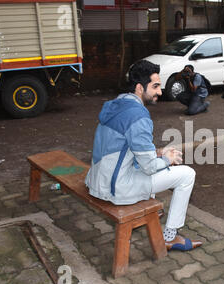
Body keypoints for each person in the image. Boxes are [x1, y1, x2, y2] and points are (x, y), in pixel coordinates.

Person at [85, 60, 202, 251]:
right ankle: (169, 237)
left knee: (154, 162)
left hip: (97, 180)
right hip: (116, 190)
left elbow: (126, 147)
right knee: (186, 174)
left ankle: (151, 215)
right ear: (140, 87)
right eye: (155, 86)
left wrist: (159, 152)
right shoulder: (139, 116)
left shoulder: (117, 105)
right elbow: (148, 166)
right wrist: (167, 159)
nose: (160, 92)